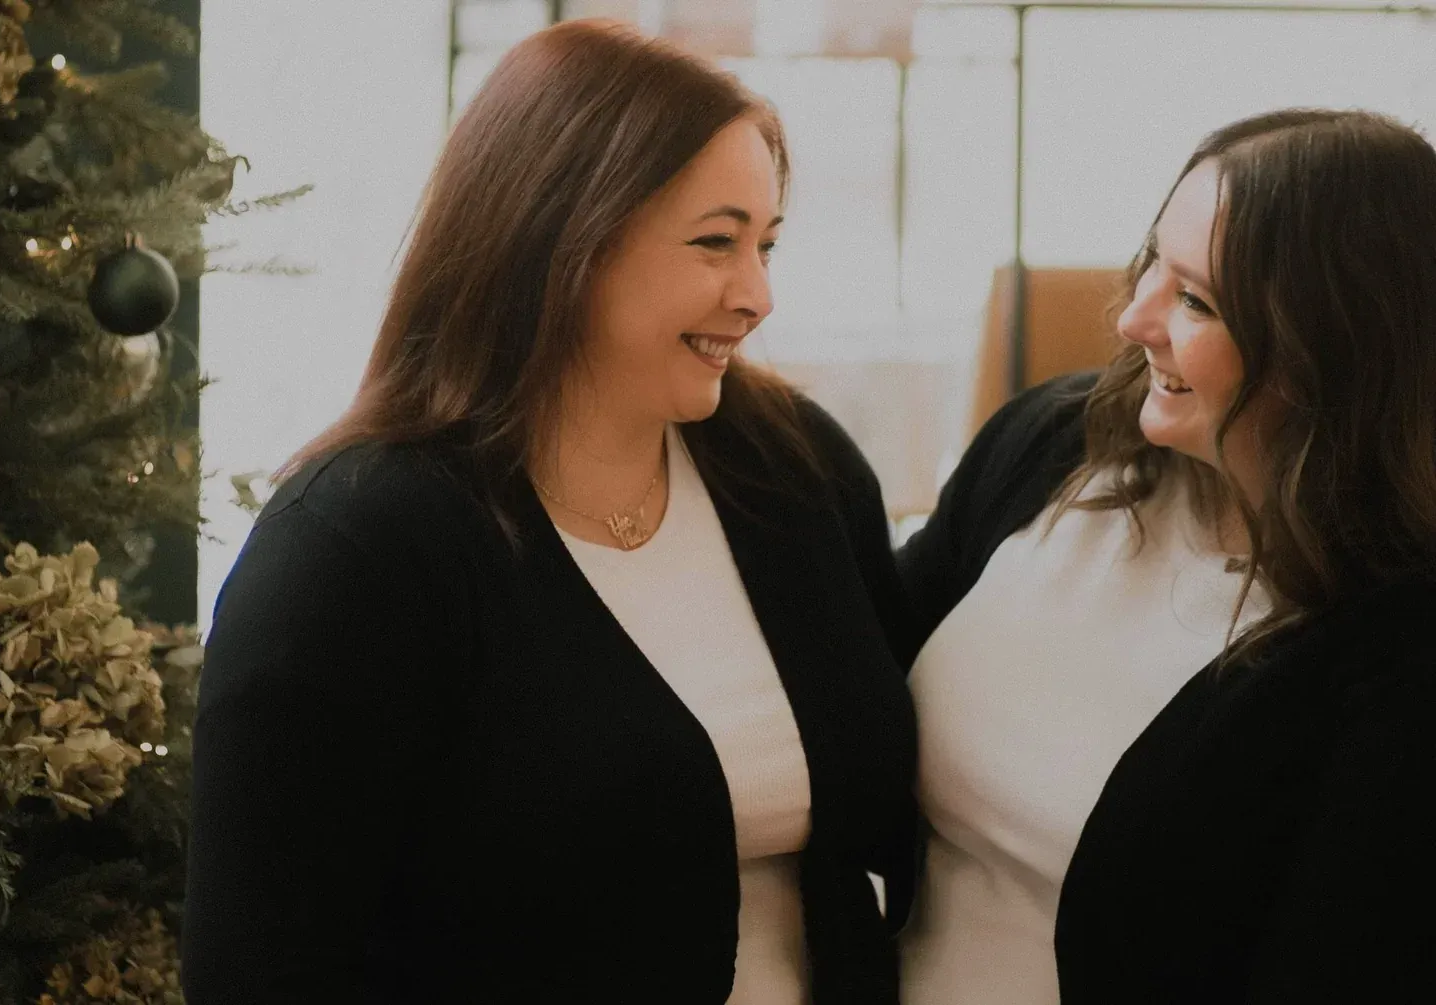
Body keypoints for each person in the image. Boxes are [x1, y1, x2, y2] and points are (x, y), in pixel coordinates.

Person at [181, 19, 918, 1005]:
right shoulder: (353, 549)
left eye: (768, 245)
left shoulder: (796, 472)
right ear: (558, 240)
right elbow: (262, 968)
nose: (757, 295)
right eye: (716, 244)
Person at [896, 107, 1436, 1004]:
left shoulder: (1395, 650)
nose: (1135, 315)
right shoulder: (1046, 445)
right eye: (1153, 259)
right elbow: (844, 687)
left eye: (1195, 299)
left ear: (1325, 348)